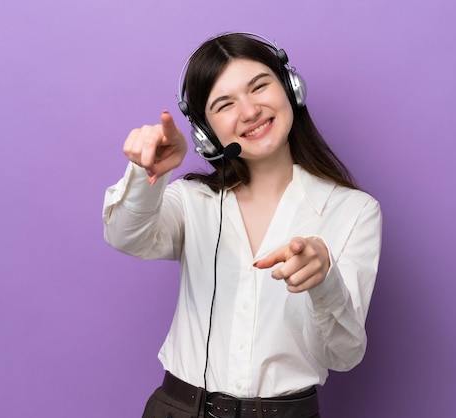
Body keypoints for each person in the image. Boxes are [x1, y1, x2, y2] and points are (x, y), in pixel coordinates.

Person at [102, 32, 382, 418]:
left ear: (290, 88)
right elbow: (125, 236)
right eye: (225, 104)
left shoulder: (354, 211)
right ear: (205, 132)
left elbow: (345, 355)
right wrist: (145, 173)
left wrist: (325, 281)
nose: (249, 111)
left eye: (260, 86)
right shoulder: (191, 202)